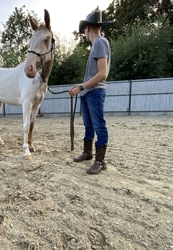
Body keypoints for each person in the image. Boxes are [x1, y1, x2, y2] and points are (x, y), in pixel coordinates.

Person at [69, 7, 112, 174]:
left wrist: (80, 87)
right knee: (89, 125)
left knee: (99, 125)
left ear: (87, 28)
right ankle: (88, 153)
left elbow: (103, 73)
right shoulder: (95, 46)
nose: (84, 34)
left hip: (95, 92)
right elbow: (95, 74)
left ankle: (100, 161)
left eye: (84, 31)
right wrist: (80, 87)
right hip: (88, 92)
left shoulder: (100, 42)